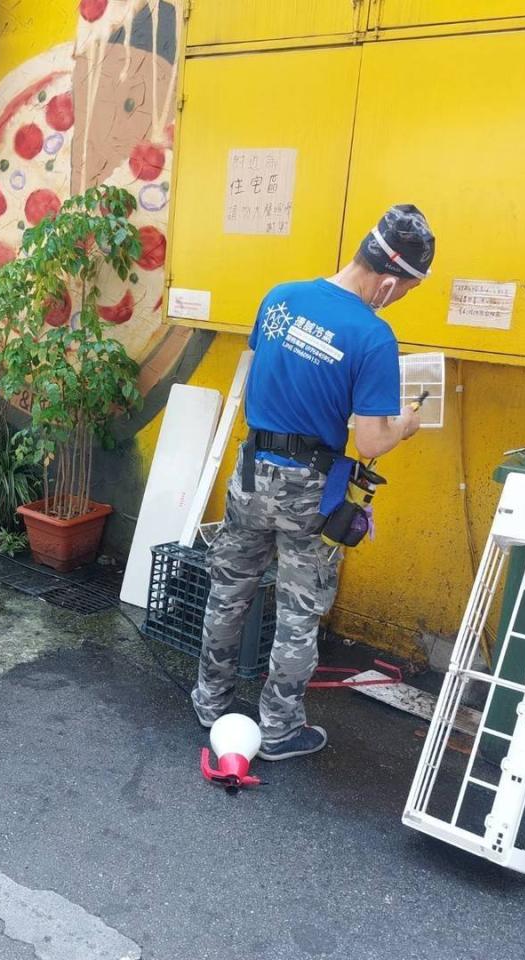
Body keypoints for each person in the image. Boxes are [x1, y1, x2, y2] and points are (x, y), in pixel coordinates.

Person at [191, 204, 435, 760]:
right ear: (389, 280)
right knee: (298, 613)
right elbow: (370, 441)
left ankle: (209, 700)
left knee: (229, 591)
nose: (401, 298)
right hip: (309, 488)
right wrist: (406, 424)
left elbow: (267, 365)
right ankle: (278, 731)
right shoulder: (373, 336)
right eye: (406, 289)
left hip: (251, 471)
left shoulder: (281, 296)